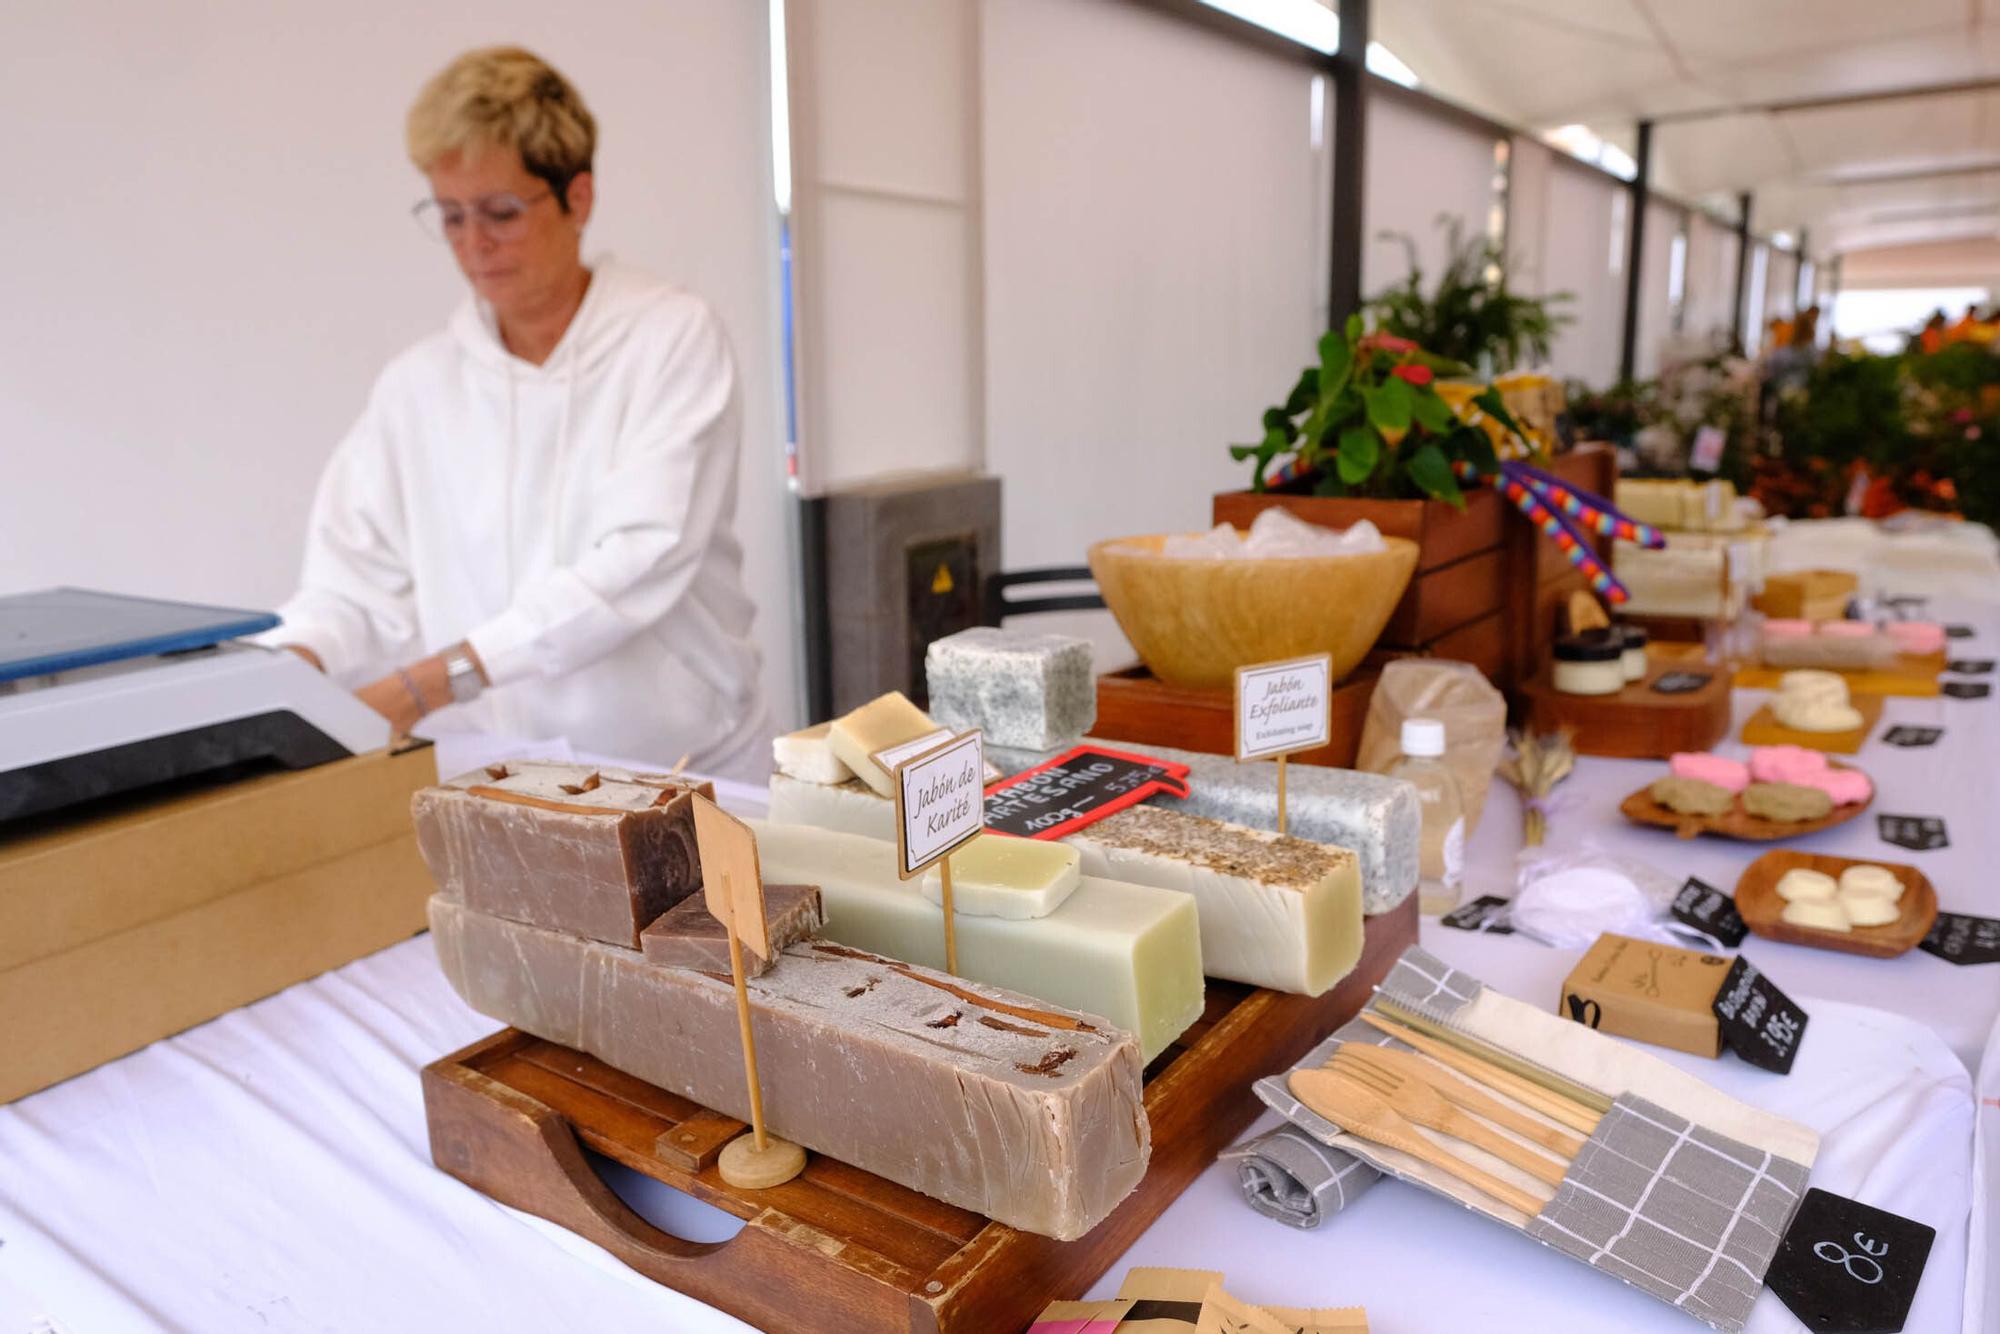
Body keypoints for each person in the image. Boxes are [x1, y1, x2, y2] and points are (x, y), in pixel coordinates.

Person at [266, 46, 770, 777]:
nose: (475, 244)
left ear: (579, 198)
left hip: (682, 766)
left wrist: (425, 686)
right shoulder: (419, 387)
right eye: (450, 216)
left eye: (501, 211)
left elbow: (637, 562)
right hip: (497, 776)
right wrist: (278, 675)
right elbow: (350, 587)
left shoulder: (669, 338)